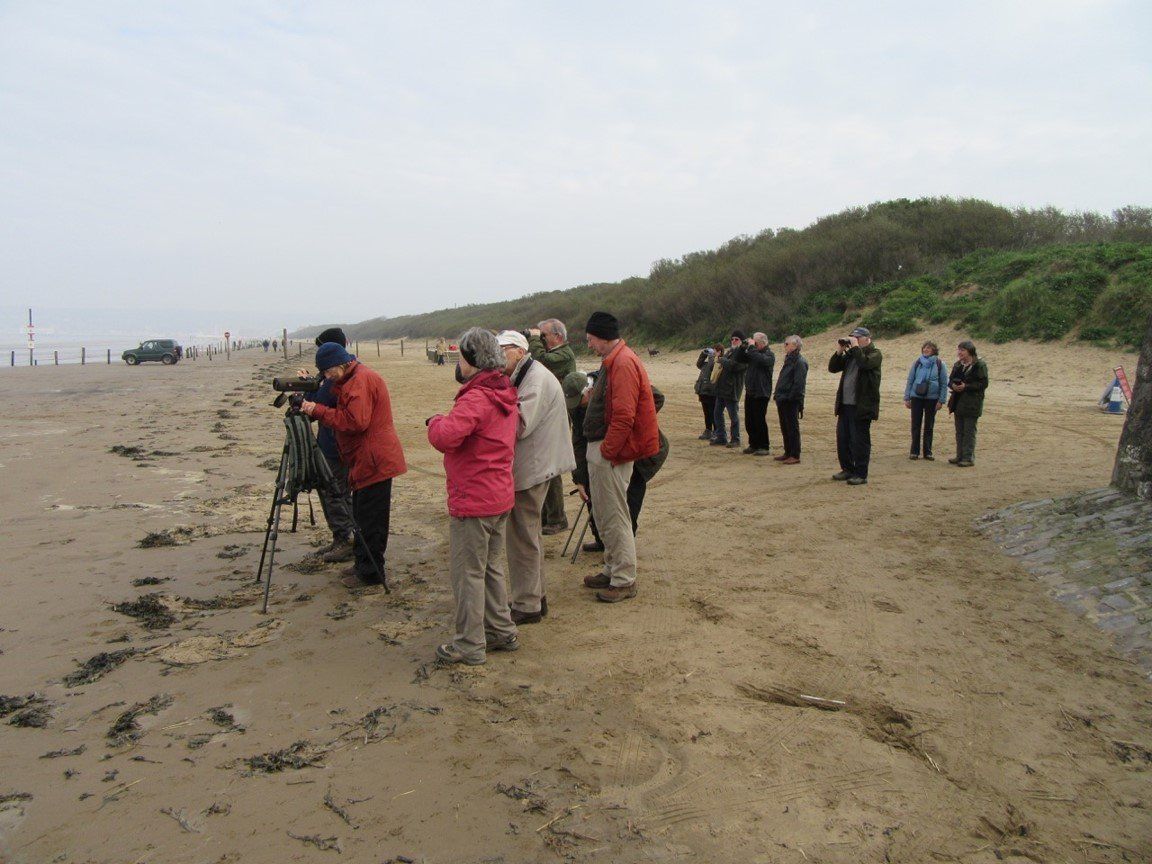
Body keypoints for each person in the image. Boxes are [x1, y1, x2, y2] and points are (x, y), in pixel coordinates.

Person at [426, 328, 521, 665]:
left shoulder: (478, 397)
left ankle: (469, 643)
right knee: (491, 568)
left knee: (468, 573)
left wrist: (435, 421)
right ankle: (500, 631)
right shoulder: (504, 390)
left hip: (476, 499)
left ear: (473, 360)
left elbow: (446, 436)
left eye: (463, 358)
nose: (459, 363)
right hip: (497, 495)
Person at [300, 343, 407, 588]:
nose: (327, 378)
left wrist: (318, 411)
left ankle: (370, 572)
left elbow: (355, 421)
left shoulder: (360, 380)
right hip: (366, 459)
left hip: (375, 460)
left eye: (328, 372)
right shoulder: (352, 378)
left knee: (371, 520)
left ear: (340, 363)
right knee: (361, 515)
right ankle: (362, 564)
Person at [497, 330, 575, 624]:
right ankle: (535, 596)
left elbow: (519, 424)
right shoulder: (530, 373)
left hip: (533, 467)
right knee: (529, 534)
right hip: (537, 464)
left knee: (521, 537)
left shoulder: (535, 378)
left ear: (518, 350)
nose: (498, 355)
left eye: (503, 349)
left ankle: (527, 603)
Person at [581, 311, 659, 603]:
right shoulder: (617, 360)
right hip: (606, 451)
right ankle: (613, 569)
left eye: (590, 339)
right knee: (604, 515)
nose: (589, 345)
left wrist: (608, 451)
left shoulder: (623, 363)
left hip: (610, 454)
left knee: (614, 517)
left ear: (602, 336)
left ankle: (624, 579)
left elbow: (625, 416)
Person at [300, 328, 355, 563]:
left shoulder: (340, 378)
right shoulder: (333, 374)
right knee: (335, 491)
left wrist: (310, 388)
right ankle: (343, 537)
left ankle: (346, 539)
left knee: (335, 491)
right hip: (330, 442)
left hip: (336, 446)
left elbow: (321, 402)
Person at [527, 319, 578, 535]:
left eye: (544, 335)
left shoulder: (565, 354)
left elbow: (541, 360)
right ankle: (550, 516)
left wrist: (533, 339)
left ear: (558, 336)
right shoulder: (560, 352)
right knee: (545, 465)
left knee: (551, 466)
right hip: (551, 413)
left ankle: (557, 518)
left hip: (558, 414)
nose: (542, 339)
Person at [829, 326, 882, 486]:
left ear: (867, 338)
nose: (855, 341)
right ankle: (847, 468)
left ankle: (860, 473)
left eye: (858, 338)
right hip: (845, 405)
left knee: (860, 441)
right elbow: (832, 368)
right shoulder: (852, 355)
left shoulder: (875, 353)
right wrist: (840, 351)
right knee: (843, 439)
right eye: (853, 338)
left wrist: (856, 348)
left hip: (862, 406)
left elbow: (865, 364)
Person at [903, 340, 949, 460]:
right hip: (916, 396)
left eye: (929, 348)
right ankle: (914, 451)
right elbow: (910, 380)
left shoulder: (940, 364)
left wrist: (941, 400)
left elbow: (944, 384)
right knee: (915, 424)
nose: (926, 350)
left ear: (934, 350)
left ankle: (927, 452)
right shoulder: (917, 363)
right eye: (924, 348)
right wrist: (907, 397)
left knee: (929, 425)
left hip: (932, 398)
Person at [947, 340, 989, 467]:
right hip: (958, 402)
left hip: (972, 403)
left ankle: (968, 457)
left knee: (969, 432)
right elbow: (950, 380)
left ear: (970, 351)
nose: (959, 353)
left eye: (962, 350)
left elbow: (983, 384)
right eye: (959, 350)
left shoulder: (979, 365)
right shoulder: (958, 365)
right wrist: (954, 385)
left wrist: (966, 386)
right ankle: (960, 456)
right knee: (959, 431)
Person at [735, 332, 775, 455]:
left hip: (762, 392)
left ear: (763, 342)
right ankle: (753, 444)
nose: (754, 345)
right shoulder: (753, 353)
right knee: (749, 420)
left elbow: (760, 360)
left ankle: (764, 446)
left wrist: (751, 348)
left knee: (759, 420)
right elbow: (739, 359)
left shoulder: (769, 355)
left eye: (756, 343)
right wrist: (743, 347)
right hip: (751, 391)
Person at [773, 335, 808, 464]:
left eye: (787, 344)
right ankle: (788, 452)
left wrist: (790, 398)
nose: (785, 346)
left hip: (791, 400)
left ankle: (795, 454)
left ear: (795, 345)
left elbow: (799, 384)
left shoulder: (799, 362)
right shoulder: (789, 360)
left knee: (792, 427)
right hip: (782, 399)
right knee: (785, 427)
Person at [710, 332, 747, 448]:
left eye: (736, 339)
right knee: (717, 413)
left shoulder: (744, 354)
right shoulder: (730, 352)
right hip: (722, 389)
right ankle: (721, 437)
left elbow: (735, 366)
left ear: (741, 341)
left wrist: (723, 360)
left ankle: (735, 439)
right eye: (732, 339)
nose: (734, 341)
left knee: (733, 416)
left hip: (732, 390)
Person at [693, 344, 721, 440]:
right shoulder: (706, 363)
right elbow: (698, 364)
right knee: (706, 412)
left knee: (713, 411)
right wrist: (703, 354)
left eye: (715, 350)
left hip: (711, 391)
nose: (712, 352)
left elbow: (712, 366)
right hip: (703, 390)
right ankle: (708, 430)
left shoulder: (719, 362)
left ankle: (716, 431)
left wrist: (712, 356)